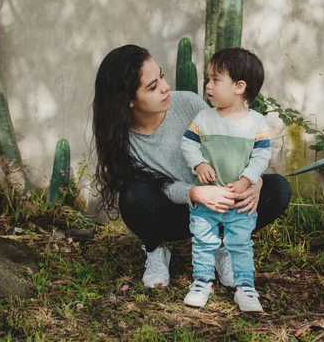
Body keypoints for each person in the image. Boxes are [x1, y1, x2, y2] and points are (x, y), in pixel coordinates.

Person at [91, 44, 292, 295]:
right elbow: (159, 185)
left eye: (161, 76)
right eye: (152, 87)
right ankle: (156, 250)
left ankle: (222, 245)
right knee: (134, 198)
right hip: (176, 212)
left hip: (221, 200)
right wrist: (195, 193)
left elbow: (237, 147)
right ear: (129, 99)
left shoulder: (186, 102)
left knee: (279, 190)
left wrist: (255, 182)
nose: (165, 87)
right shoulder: (122, 140)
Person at [181, 47, 270, 312]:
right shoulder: (204, 118)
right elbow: (188, 144)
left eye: (215, 80)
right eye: (208, 79)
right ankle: (202, 282)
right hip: (208, 199)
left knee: (241, 243)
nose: (208, 86)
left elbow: (262, 156)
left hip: (239, 200)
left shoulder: (256, 123)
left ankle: (246, 288)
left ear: (239, 87)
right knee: (203, 240)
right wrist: (199, 162)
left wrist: (248, 180)